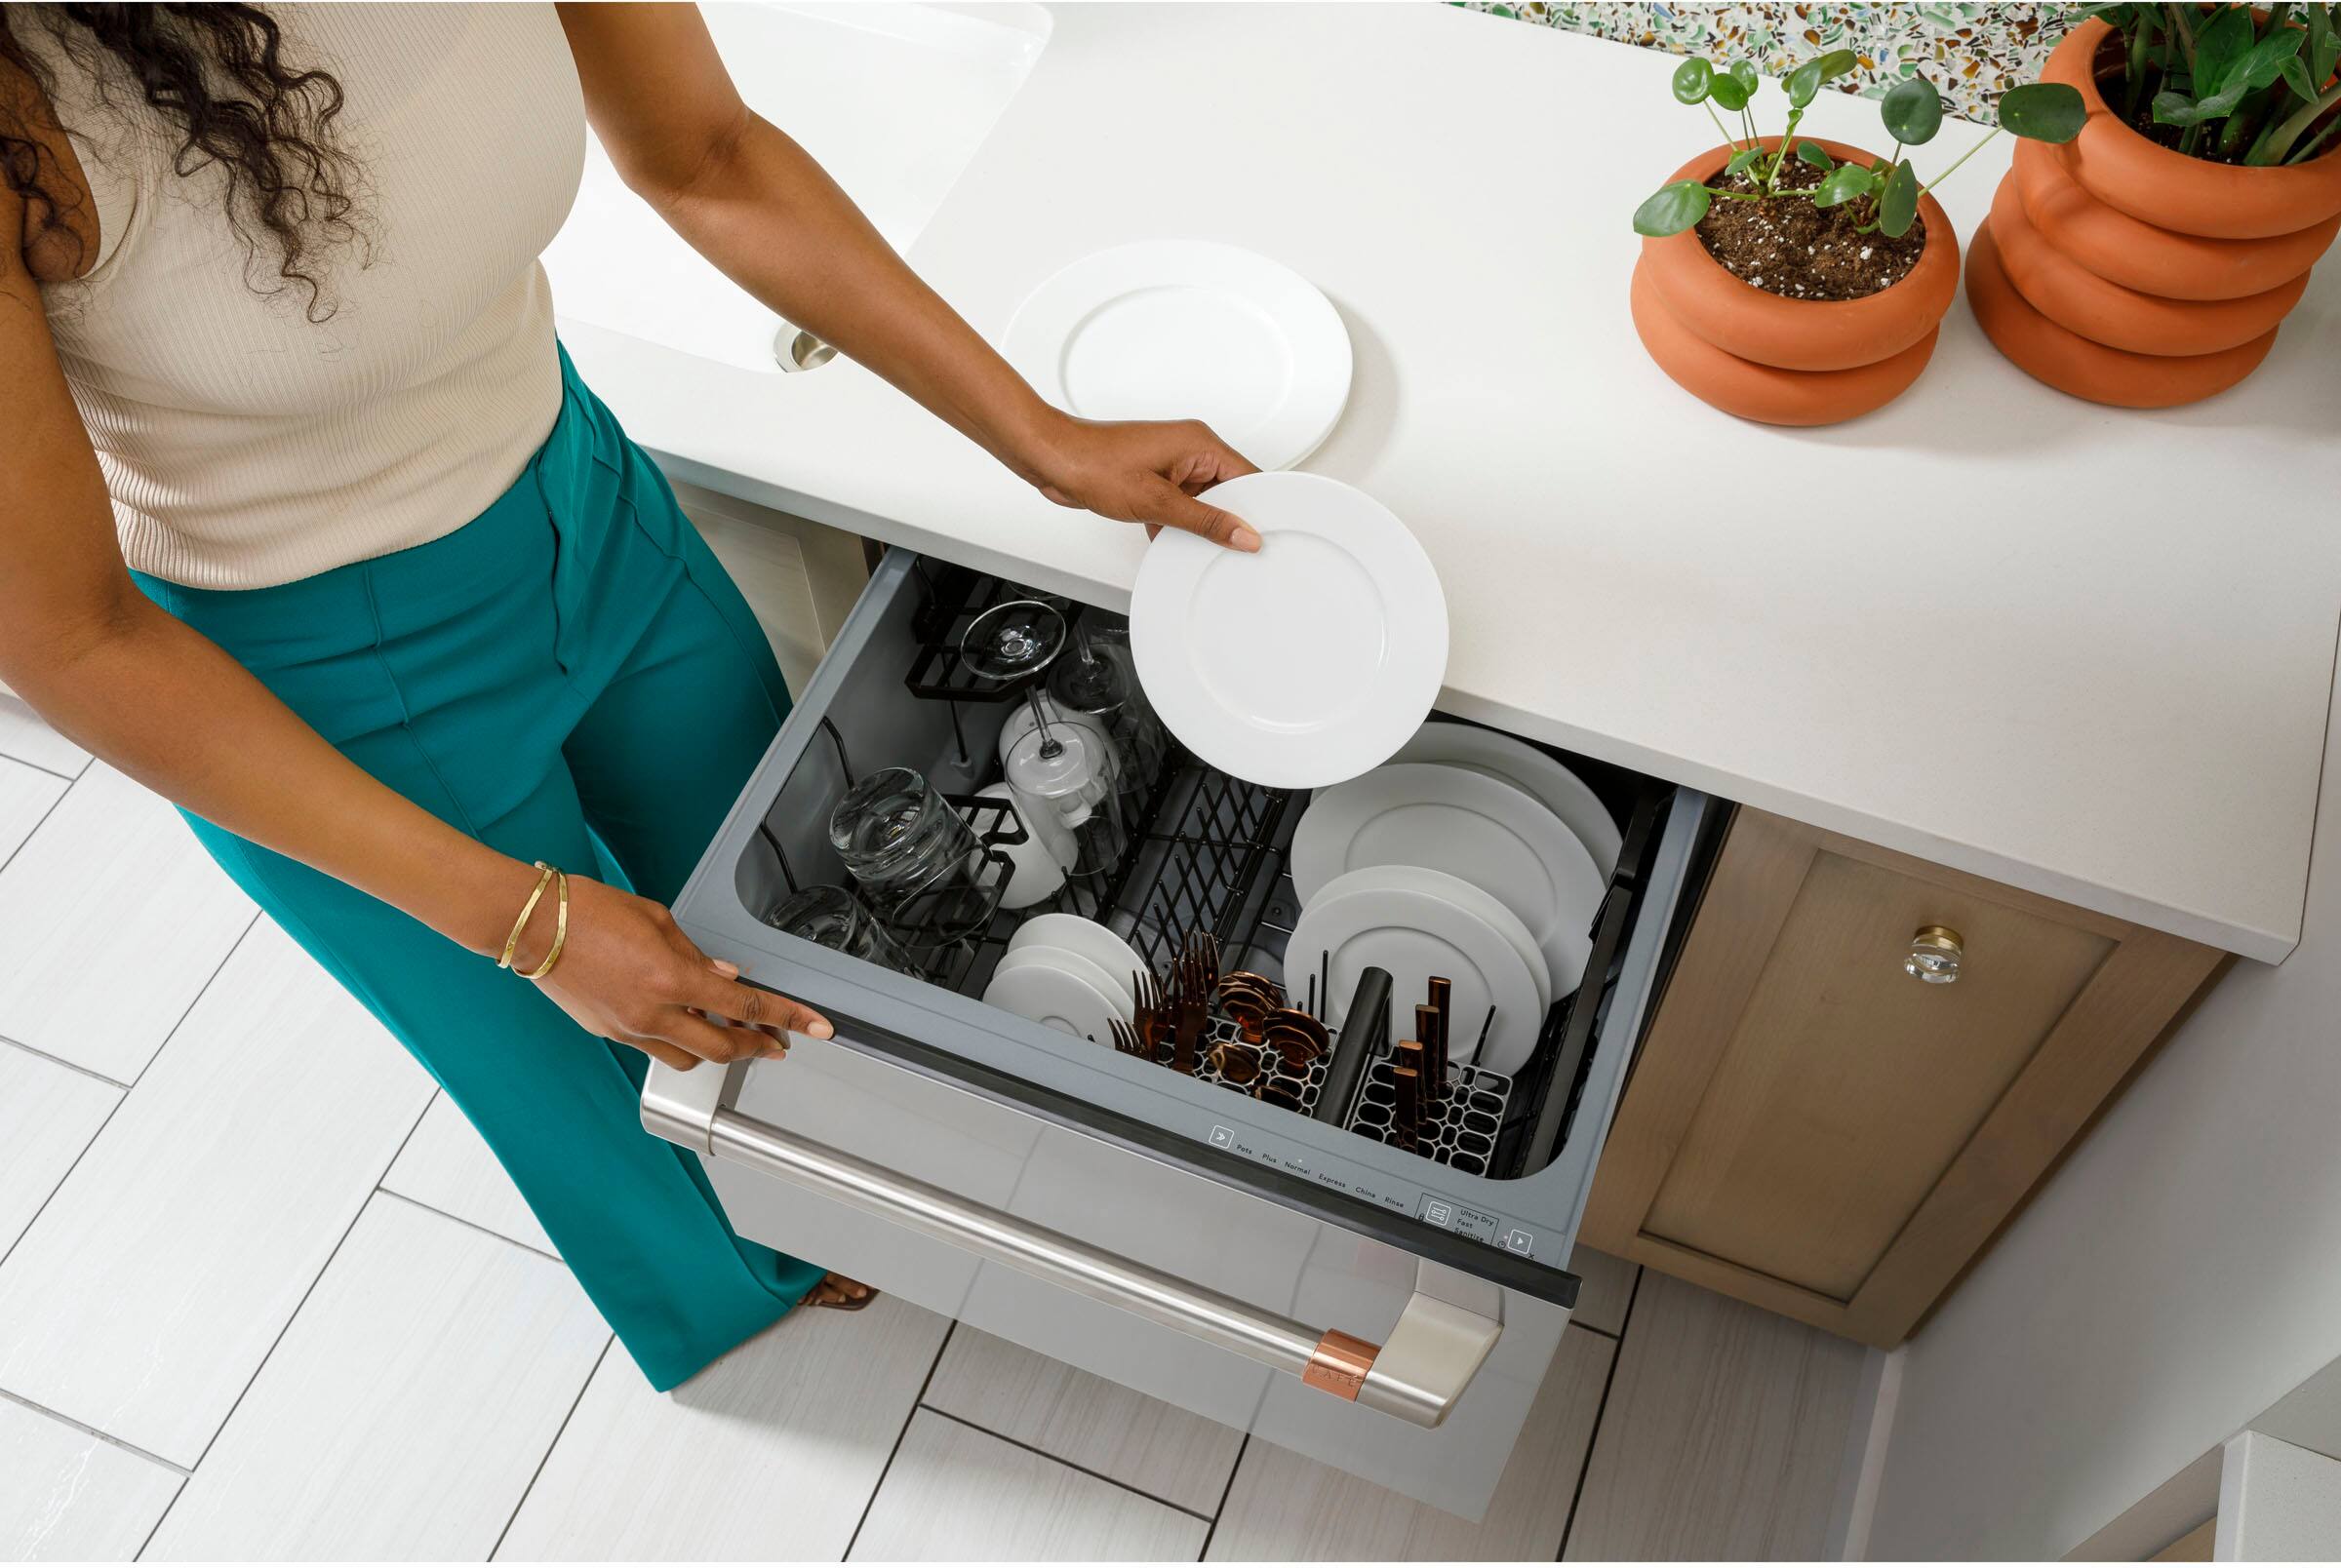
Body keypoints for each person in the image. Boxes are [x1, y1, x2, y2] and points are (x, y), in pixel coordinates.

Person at [0, 3, 1258, 1392]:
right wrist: (529, 924)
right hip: (303, 682)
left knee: (775, 940)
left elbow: (707, 151)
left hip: (586, 500)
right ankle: (749, 1295)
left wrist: (1045, 439)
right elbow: (68, 636)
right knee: (593, 1096)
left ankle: (826, 1198)